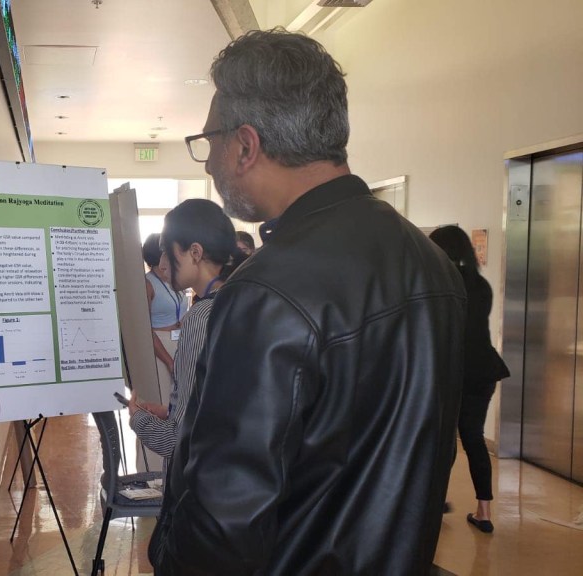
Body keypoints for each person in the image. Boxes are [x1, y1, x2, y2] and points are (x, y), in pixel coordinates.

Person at [150, 29, 466, 575]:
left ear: (245, 145)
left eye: (209, 142)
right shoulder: (430, 261)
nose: (207, 164)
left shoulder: (266, 291)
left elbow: (223, 520)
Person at [130, 200, 245, 469]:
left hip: (200, 474)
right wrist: (171, 411)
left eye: (166, 252)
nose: (162, 264)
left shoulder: (201, 316)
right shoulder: (240, 300)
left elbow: (177, 440)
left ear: (195, 252)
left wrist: (138, 419)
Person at [429, 225, 509, 534]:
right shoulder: (481, 284)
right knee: (474, 438)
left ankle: (434, 502)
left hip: (454, 370)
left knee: (444, 439)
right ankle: (484, 512)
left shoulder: (442, 285)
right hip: (484, 370)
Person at [143, 233, 186, 407]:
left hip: (180, 341)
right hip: (159, 346)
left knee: (181, 398)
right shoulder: (147, 283)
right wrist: (169, 361)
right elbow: (145, 329)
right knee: (164, 400)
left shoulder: (175, 279)